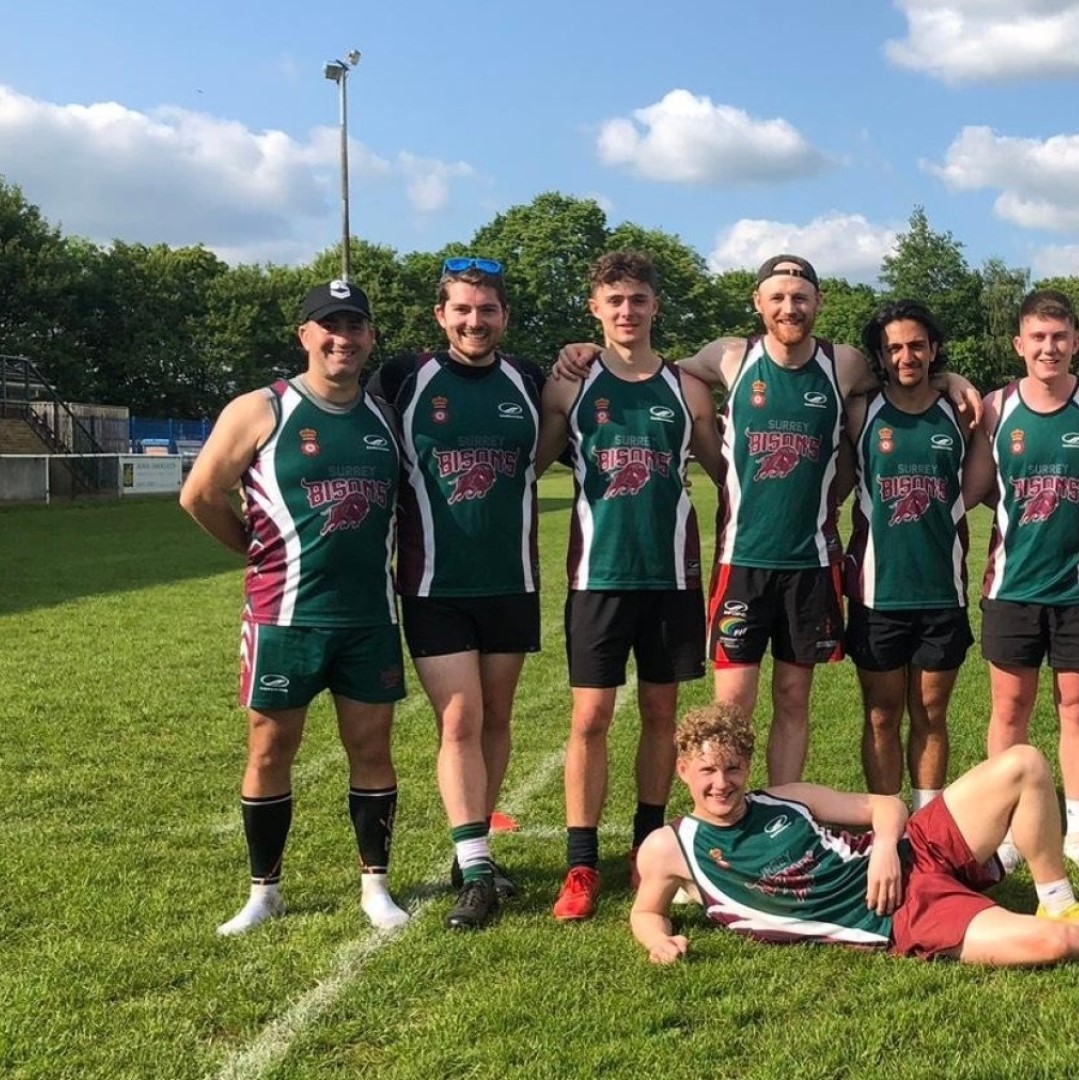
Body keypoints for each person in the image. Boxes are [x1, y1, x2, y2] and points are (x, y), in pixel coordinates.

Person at [556, 255, 980, 788]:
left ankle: (781, 808)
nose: (789, 307)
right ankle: (726, 816)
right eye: (777, 297)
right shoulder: (730, 357)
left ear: (817, 304)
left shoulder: (843, 364)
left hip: (812, 563)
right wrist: (593, 350)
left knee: (792, 698)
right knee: (732, 704)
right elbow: (647, 365)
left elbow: (906, 371)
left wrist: (952, 376)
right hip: (743, 562)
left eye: (800, 297)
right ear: (758, 303)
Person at [629, 703, 1079, 965]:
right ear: (683, 770)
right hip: (902, 916)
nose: (722, 783)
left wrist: (884, 845)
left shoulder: (784, 798)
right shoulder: (670, 846)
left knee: (1023, 762)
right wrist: (660, 940)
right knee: (1052, 947)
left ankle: (1055, 892)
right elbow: (643, 912)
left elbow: (885, 805)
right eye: (707, 770)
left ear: (747, 766)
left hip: (911, 853)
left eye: (732, 768)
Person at [180, 279, 410, 936]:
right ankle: (264, 890)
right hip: (284, 617)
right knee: (270, 748)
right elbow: (200, 494)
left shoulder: (384, 416)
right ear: (305, 335)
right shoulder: (261, 408)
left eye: (356, 326)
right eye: (328, 326)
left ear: (370, 336)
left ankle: (375, 886)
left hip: (368, 616)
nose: (343, 338)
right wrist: (255, 555)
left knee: (371, 747)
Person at [533, 251, 724, 921]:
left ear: (654, 306)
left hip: (671, 577)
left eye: (638, 299)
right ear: (595, 307)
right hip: (598, 577)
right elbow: (527, 464)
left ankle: (649, 844)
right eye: (614, 300)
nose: (626, 311)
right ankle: (581, 863)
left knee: (661, 716)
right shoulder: (570, 386)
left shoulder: (686, 389)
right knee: (589, 718)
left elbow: (730, 471)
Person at [371, 257, 546, 930]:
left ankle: (470, 853)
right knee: (460, 720)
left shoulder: (528, 379)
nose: (476, 320)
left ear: (504, 316)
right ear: (441, 316)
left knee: (496, 719)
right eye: (463, 309)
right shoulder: (404, 378)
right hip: (432, 584)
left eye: (488, 309)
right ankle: (476, 876)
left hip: (512, 580)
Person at [962, 289, 1079, 875]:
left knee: (1077, 711)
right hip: (1011, 587)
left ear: (1076, 342)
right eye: (1038, 337)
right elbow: (974, 490)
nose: (1049, 348)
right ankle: (1005, 829)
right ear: (1019, 344)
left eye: (1060, 337)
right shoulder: (996, 407)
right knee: (1010, 711)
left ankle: (1078, 833)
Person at [839, 301, 974, 808]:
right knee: (880, 713)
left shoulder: (960, 414)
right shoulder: (861, 411)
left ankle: (926, 822)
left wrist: (954, 381)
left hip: (943, 588)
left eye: (917, 344)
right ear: (881, 354)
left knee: (931, 714)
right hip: (878, 591)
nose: (906, 355)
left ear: (934, 349)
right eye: (894, 347)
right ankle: (885, 823)